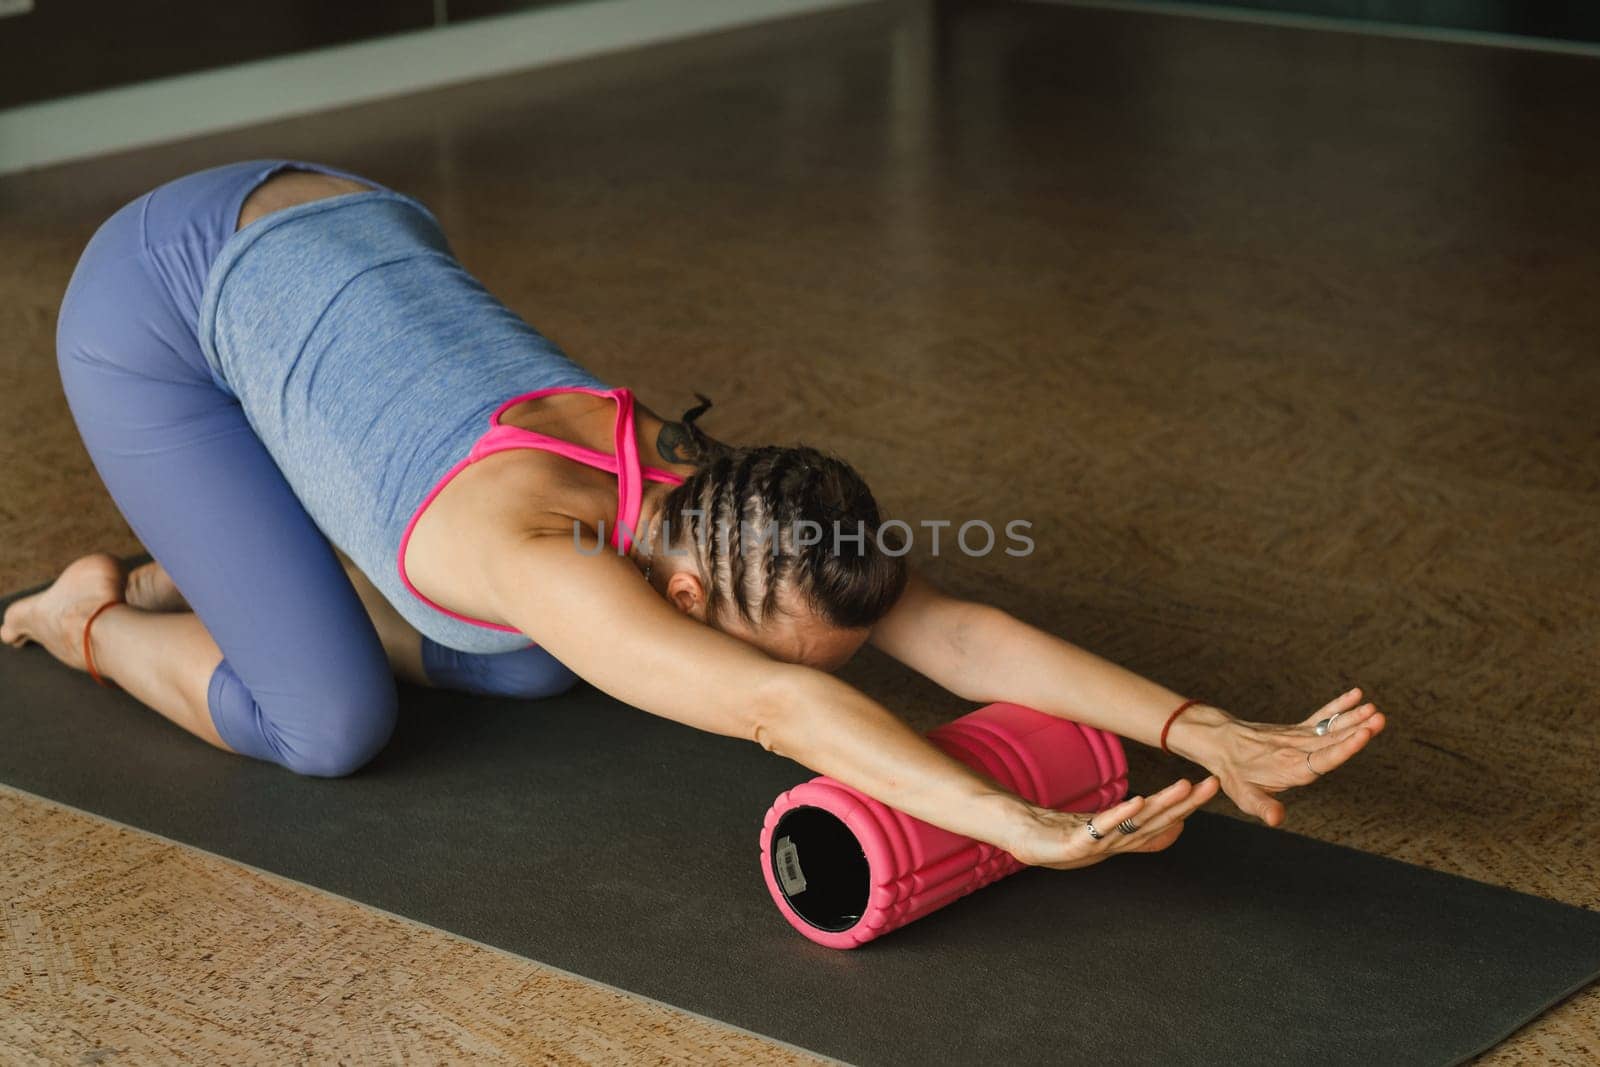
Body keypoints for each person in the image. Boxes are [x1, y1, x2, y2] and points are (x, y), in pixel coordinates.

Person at [2, 160, 1386, 871]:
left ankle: (229, 556)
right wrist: (1006, 821)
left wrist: (1192, 725)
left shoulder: (728, 502)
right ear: (676, 590)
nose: (783, 671)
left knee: (537, 666)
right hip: (157, 304)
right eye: (773, 649)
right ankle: (93, 618)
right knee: (329, 722)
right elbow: (786, 716)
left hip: (343, 221)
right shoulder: (532, 547)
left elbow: (948, 625)